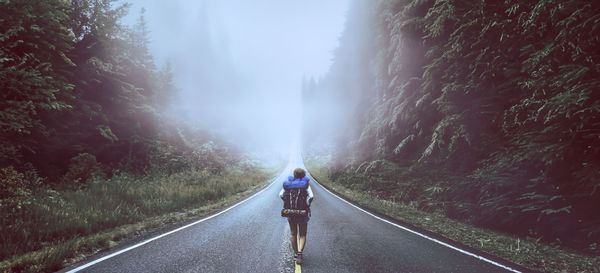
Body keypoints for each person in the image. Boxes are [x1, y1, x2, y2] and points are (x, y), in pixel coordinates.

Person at [279, 168, 313, 264]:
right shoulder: (305, 185)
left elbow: (281, 194)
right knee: (302, 234)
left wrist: (287, 202)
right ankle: (300, 253)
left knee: (293, 233)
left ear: (294, 175)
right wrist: (307, 204)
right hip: (302, 212)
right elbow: (311, 196)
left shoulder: (288, 184)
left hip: (290, 212)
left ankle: (295, 254)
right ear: (303, 175)